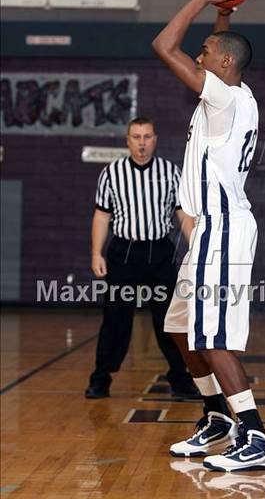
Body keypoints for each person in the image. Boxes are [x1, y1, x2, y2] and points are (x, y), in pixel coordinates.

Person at [152, 0, 265, 471]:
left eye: (206, 54)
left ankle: (256, 436)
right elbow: (220, 50)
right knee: (181, 328)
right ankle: (217, 418)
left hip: (224, 229)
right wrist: (225, 13)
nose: (199, 57)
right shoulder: (233, 91)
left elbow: (163, 46)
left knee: (213, 336)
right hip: (207, 230)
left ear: (222, 66)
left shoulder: (223, 96)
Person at [85, 117, 199, 400]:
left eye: (147, 136)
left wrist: (196, 246)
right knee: (115, 319)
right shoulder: (111, 173)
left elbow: (182, 214)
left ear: (155, 139)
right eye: (136, 137)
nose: (142, 142)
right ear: (127, 140)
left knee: (170, 320)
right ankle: (101, 379)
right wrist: (96, 252)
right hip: (124, 253)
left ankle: (180, 378)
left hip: (159, 253)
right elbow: (102, 215)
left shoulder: (170, 171)